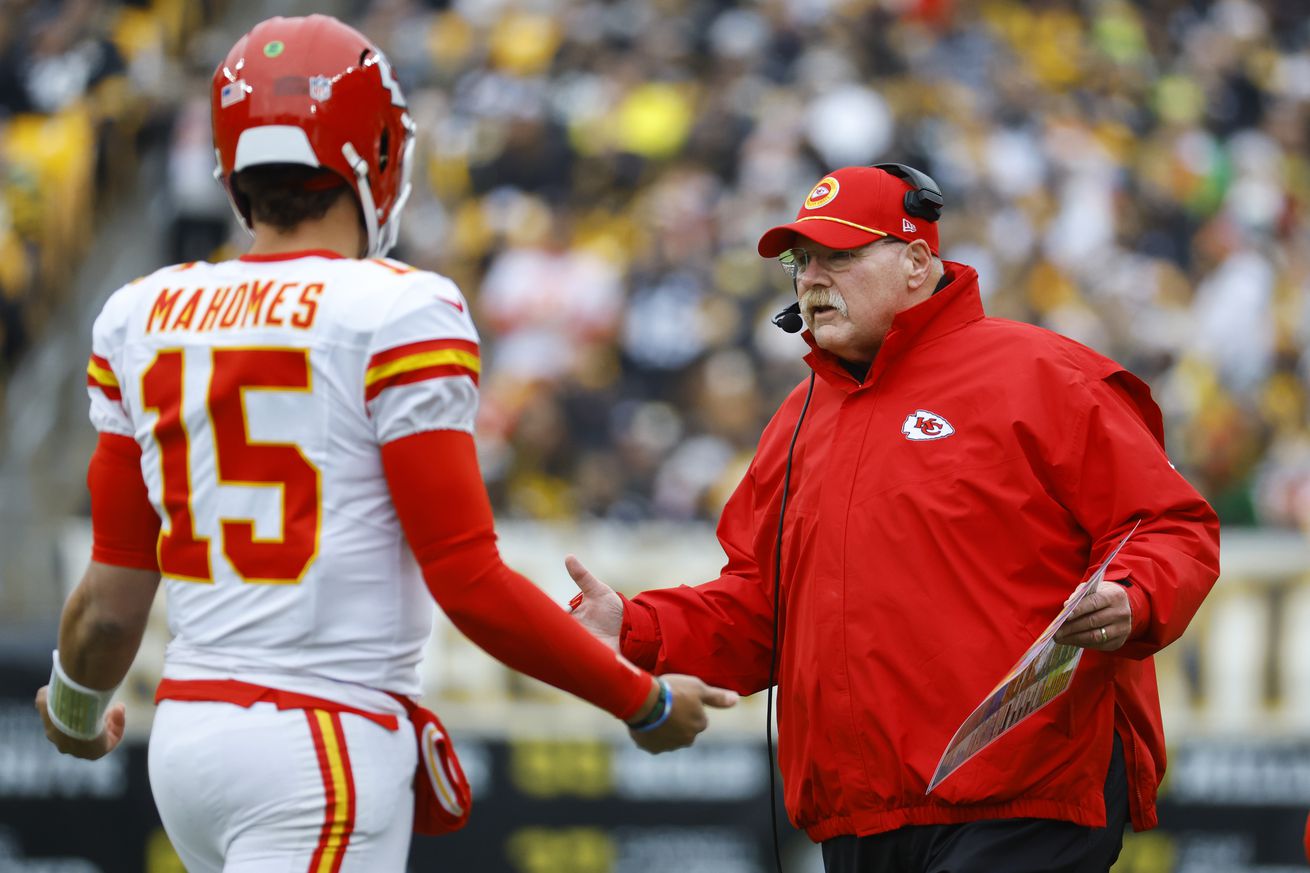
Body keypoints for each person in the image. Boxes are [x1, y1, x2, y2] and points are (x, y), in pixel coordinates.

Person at [33, 14, 735, 872]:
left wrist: (73, 710)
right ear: (374, 151)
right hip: (318, 742)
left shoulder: (140, 313)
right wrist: (644, 700)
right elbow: (468, 580)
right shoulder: (399, 310)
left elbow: (109, 604)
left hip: (185, 743)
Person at [567, 164, 1220, 872]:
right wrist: (634, 628)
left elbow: (1170, 525)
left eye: (839, 256)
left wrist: (1133, 593)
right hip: (863, 813)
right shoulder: (795, 422)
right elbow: (762, 608)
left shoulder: (1041, 372)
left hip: (1022, 792)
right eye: (801, 260)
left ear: (916, 261)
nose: (812, 278)